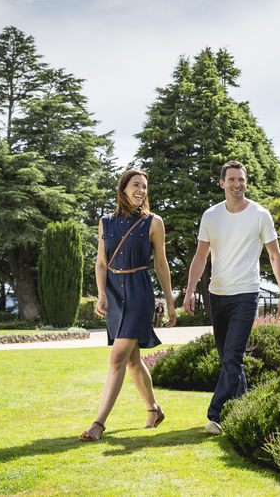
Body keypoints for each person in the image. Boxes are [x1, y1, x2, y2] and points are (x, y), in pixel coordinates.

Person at [183, 160, 280, 435]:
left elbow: (275, 255)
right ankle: (246, 409)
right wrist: (190, 290)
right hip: (217, 295)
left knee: (232, 356)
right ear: (222, 183)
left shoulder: (260, 215)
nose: (237, 184)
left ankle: (215, 414)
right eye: (232, 179)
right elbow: (200, 256)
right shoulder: (211, 216)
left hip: (246, 293)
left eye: (241, 179)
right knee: (228, 360)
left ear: (246, 182)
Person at [79, 168, 177, 442]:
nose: (141, 191)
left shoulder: (153, 222)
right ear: (123, 189)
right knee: (133, 361)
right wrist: (101, 294)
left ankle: (98, 424)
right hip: (113, 294)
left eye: (145, 187)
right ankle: (154, 410)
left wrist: (170, 303)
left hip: (138, 293)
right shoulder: (105, 222)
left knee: (117, 357)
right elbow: (101, 262)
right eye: (136, 185)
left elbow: (161, 264)